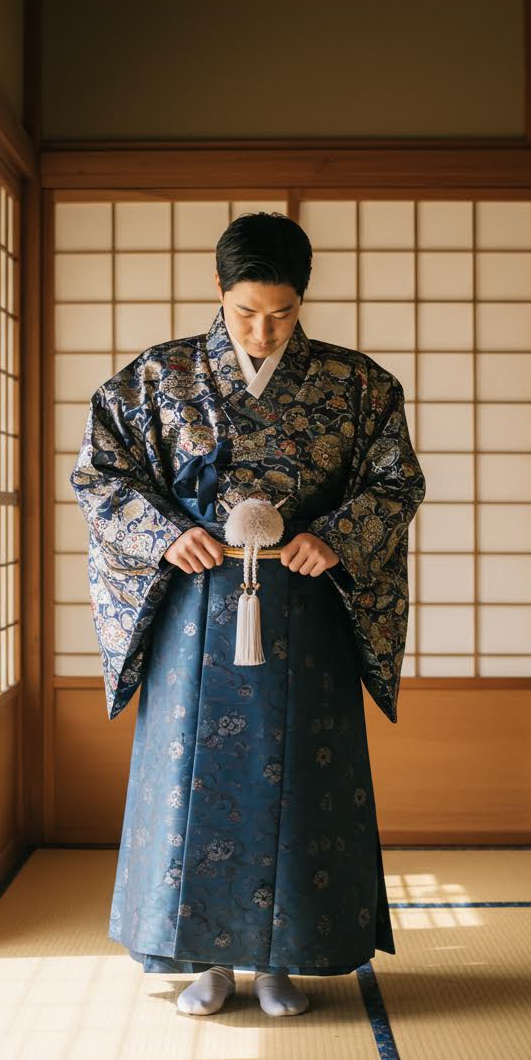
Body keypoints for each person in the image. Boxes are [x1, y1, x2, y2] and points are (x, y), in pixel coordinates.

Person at [70, 212, 426, 1018]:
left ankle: (284, 963)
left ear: (303, 300)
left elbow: (396, 484)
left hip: (306, 616)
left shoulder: (357, 384)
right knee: (189, 781)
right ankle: (209, 965)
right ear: (219, 291)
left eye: (283, 313)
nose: (264, 331)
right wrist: (167, 537)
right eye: (246, 312)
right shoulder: (158, 380)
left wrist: (335, 539)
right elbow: (99, 477)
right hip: (195, 614)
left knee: (301, 783)